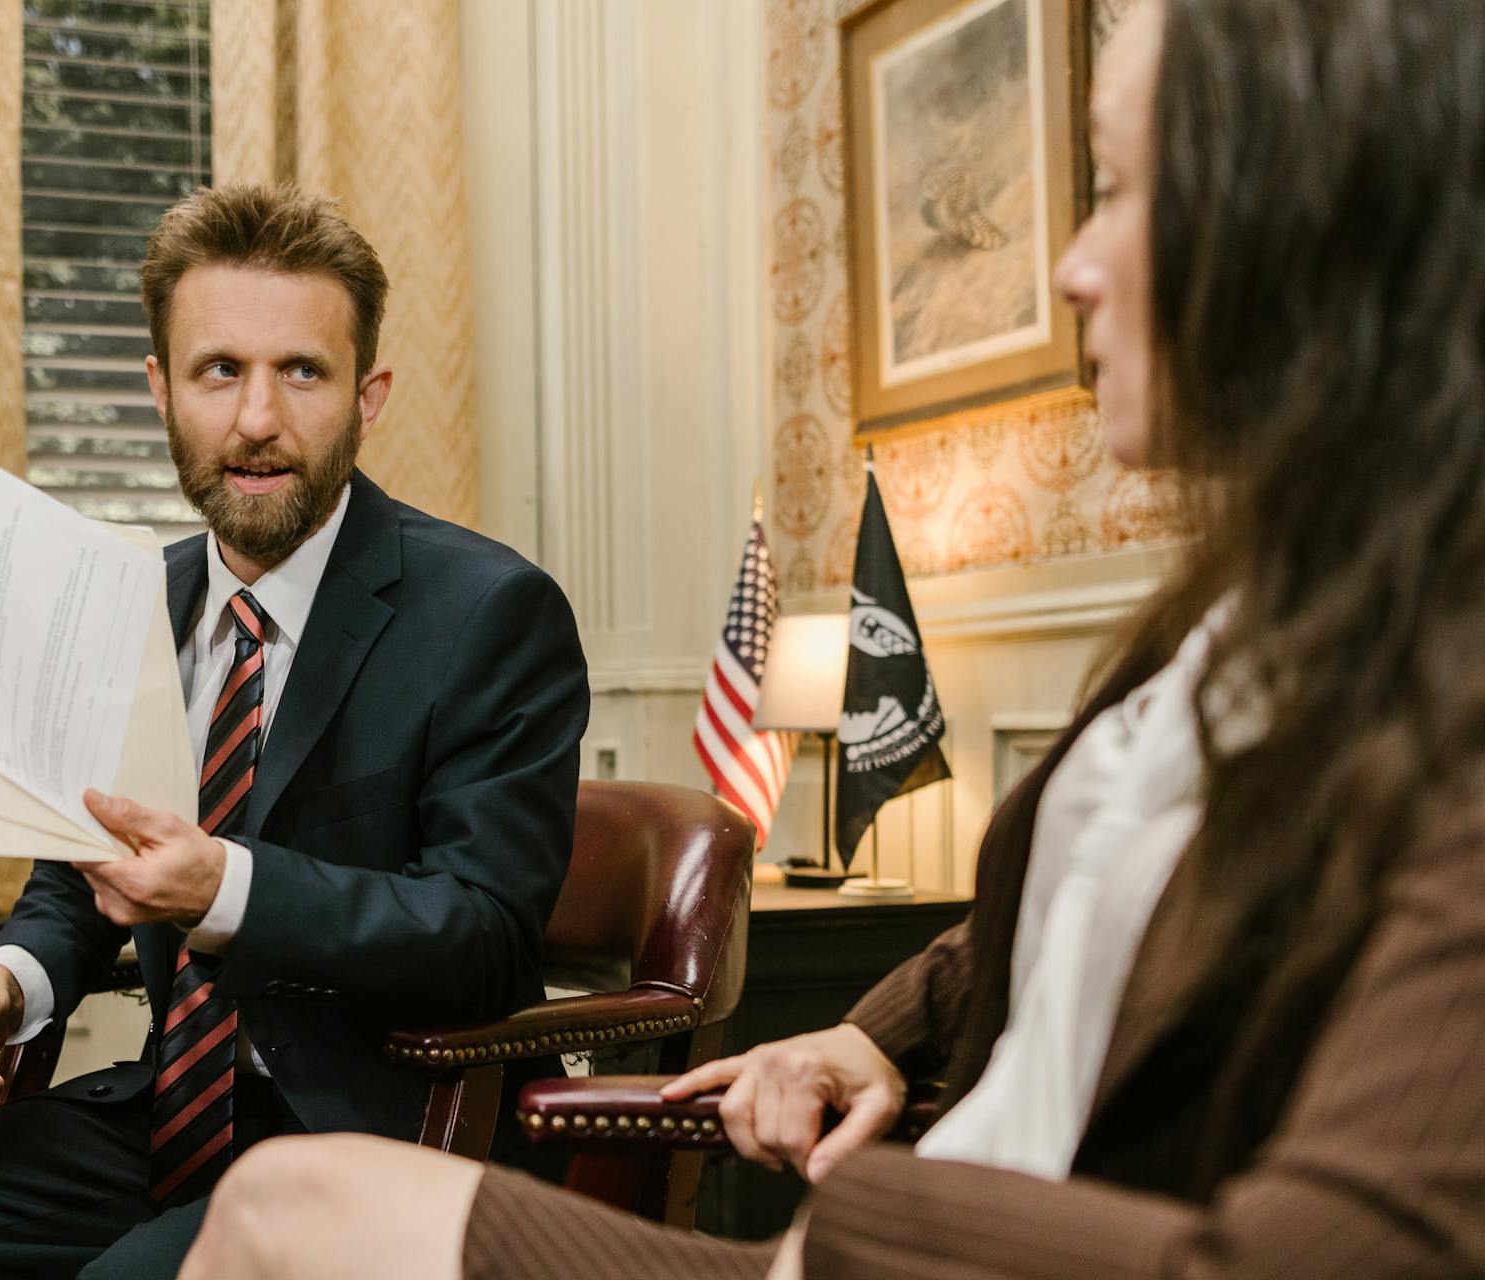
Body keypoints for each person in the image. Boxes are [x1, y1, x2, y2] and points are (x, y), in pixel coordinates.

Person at [174, 0, 1485, 1275]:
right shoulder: (1248, 616)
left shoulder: (1454, 693)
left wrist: (867, 1223)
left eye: (1130, 192)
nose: (1074, 263)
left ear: (1316, 234)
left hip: (904, 1252)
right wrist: (871, 1036)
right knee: (287, 1203)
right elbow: (1081, 907)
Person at [0, 184, 590, 1278]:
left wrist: (228, 890)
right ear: (161, 389)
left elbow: (485, 930)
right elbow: (79, 877)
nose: (258, 419)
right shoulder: (130, 603)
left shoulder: (491, 611)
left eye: (302, 371)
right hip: (176, 1107)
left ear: (369, 395)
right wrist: (8, 987)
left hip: (382, 1129)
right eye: (220, 371)